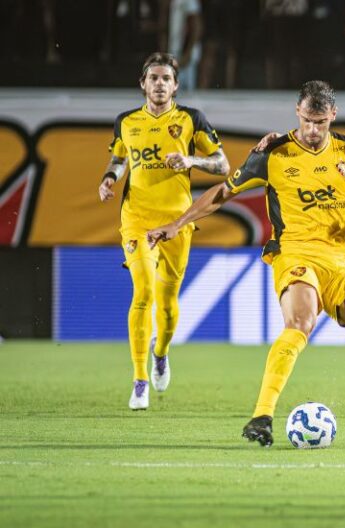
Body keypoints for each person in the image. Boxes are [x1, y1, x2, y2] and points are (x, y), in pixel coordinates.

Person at [147, 80, 345, 448]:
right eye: (307, 121)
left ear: (333, 115)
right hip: (294, 251)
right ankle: (261, 416)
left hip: (338, 256)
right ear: (297, 112)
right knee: (300, 321)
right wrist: (177, 224)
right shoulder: (273, 153)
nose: (313, 130)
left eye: (321, 122)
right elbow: (223, 192)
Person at [98, 52, 230, 410]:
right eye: (153, 78)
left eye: (166, 78)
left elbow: (223, 165)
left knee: (168, 304)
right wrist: (109, 178)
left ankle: (161, 353)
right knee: (143, 292)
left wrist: (191, 160)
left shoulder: (190, 119)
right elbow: (120, 157)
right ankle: (140, 380)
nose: (159, 83)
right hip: (136, 219)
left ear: (175, 86)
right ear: (143, 83)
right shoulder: (126, 121)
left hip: (176, 222)